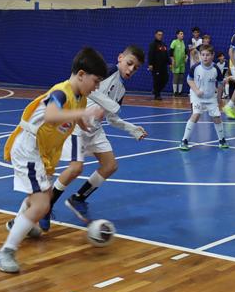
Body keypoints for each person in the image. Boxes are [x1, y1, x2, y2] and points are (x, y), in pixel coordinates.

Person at [0, 47, 107, 273]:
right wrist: (84, 114)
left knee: (39, 196)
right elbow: (51, 115)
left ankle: (21, 225)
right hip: (29, 147)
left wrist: (86, 123)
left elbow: (77, 115)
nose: (97, 87)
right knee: (42, 203)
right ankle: (5, 251)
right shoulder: (61, 92)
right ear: (81, 74)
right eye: (96, 81)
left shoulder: (81, 98)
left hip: (43, 151)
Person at [12, 45, 148, 229]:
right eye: (129, 63)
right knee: (75, 168)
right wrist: (108, 105)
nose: (131, 69)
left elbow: (112, 118)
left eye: (136, 68)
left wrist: (132, 129)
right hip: (78, 125)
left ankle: (78, 198)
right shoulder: (108, 71)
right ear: (120, 58)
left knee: (110, 166)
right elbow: (92, 91)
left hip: (95, 129)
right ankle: (46, 206)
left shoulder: (121, 90)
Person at [180, 44, 229, 150]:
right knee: (196, 114)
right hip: (197, 96)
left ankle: (222, 140)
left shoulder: (215, 69)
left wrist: (219, 98)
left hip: (211, 97)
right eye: (202, 55)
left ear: (212, 55)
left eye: (207, 55)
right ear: (200, 56)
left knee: (217, 117)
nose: (205, 57)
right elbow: (189, 80)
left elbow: (220, 83)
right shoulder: (195, 67)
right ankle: (184, 140)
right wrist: (196, 91)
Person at [148, 29, 169, 100]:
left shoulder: (164, 45)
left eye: (161, 35)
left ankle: (156, 90)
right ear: (155, 35)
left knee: (166, 79)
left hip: (163, 66)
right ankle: (157, 95)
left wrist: (170, 63)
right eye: (159, 35)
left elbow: (166, 55)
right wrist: (150, 64)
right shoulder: (153, 44)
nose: (160, 36)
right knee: (157, 80)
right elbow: (150, 54)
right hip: (156, 66)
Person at [170, 30, 187, 96]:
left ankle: (180, 92)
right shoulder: (174, 42)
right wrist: (172, 60)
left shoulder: (183, 42)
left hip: (182, 64)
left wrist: (186, 57)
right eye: (181, 34)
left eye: (183, 34)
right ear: (177, 35)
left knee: (181, 77)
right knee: (176, 77)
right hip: (176, 63)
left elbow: (185, 51)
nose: (182, 35)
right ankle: (175, 92)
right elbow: (170, 52)